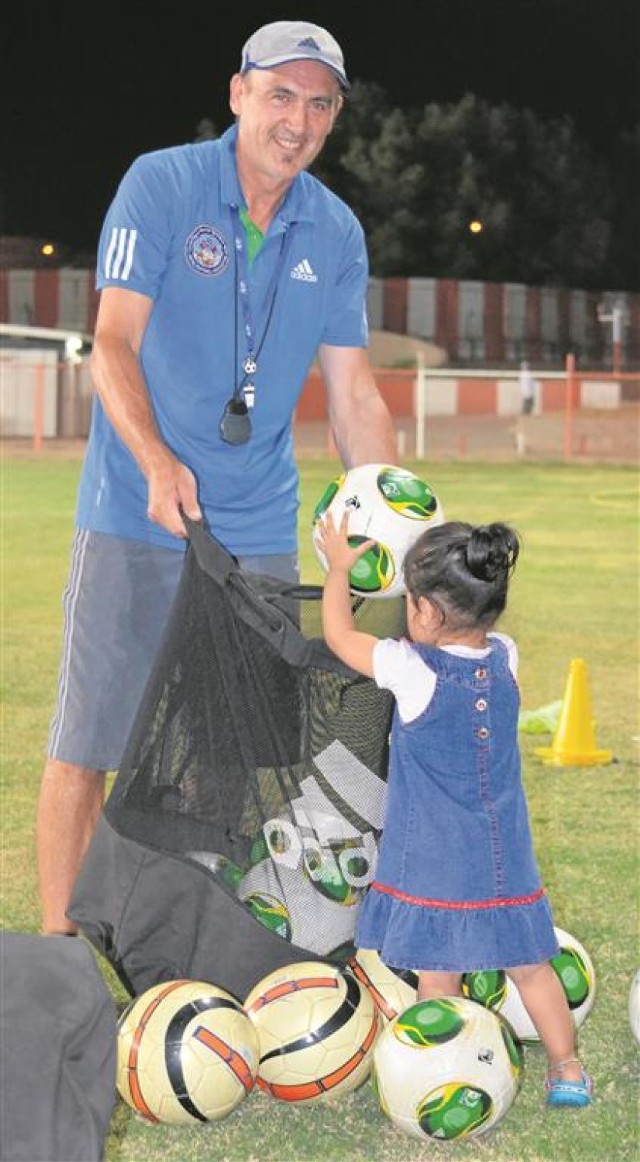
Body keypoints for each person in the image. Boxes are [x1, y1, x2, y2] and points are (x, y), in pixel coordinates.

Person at [36, 20, 398, 937]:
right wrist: (158, 461)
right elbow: (110, 342)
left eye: (319, 104)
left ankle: (188, 940)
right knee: (91, 744)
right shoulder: (162, 184)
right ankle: (62, 953)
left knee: (231, 755)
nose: (298, 119)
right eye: (281, 95)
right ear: (238, 93)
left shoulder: (336, 229)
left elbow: (354, 393)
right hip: (134, 508)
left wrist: (392, 509)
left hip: (259, 526)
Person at [317, 513, 592, 1109]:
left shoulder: (411, 671)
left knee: (437, 981)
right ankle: (568, 1070)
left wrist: (340, 571)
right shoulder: (506, 657)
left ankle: (430, 1074)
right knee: (533, 967)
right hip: (506, 862)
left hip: (436, 864)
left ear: (427, 614)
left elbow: (340, 637)